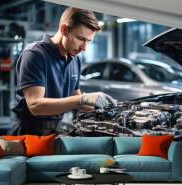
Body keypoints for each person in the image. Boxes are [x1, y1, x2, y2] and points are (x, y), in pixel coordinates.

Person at [11, 7, 117, 135]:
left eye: (89, 41)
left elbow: (75, 98)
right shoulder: (35, 54)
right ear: (64, 30)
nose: (84, 47)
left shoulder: (75, 59)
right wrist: (83, 99)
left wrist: (103, 106)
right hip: (29, 133)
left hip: (56, 130)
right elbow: (35, 106)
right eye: (81, 39)